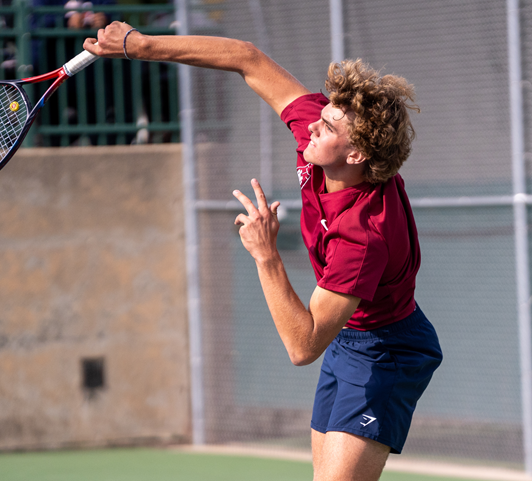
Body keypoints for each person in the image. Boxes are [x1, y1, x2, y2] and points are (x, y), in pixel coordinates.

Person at [83, 22, 443, 481]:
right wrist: (140, 45)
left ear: (356, 155)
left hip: (386, 351)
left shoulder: (363, 235)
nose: (314, 121)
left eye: (330, 124)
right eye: (324, 111)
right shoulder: (322, 145)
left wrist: (265, 254)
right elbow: (246, 58)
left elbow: (303, 345)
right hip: (347, 339)